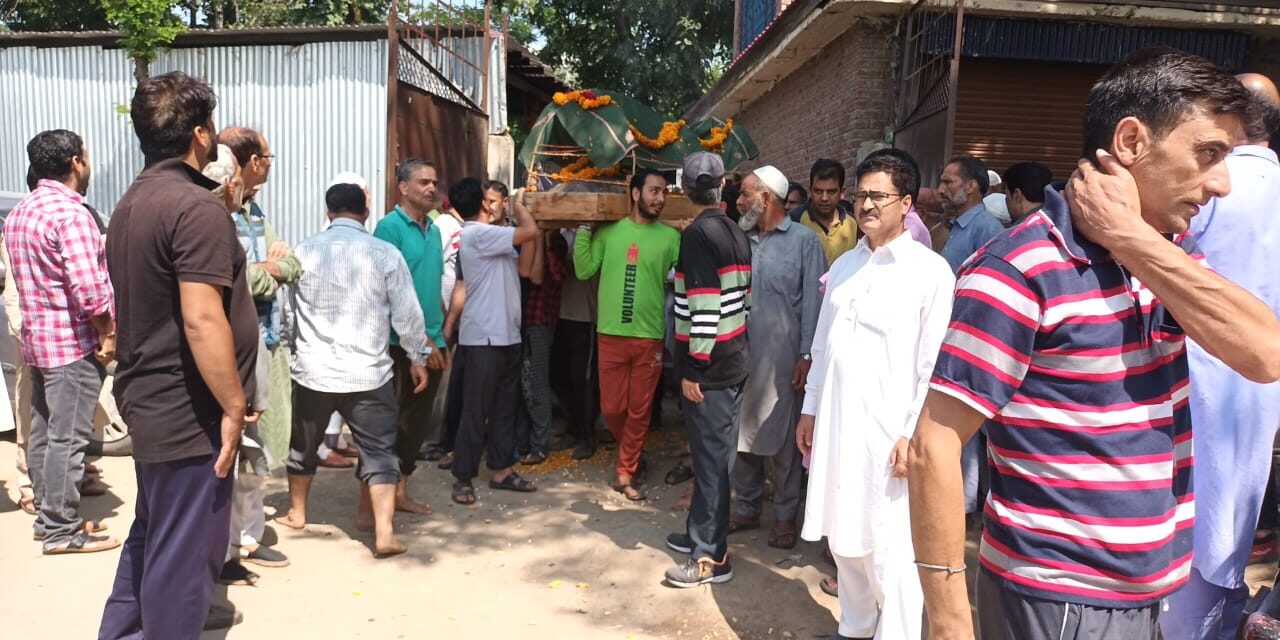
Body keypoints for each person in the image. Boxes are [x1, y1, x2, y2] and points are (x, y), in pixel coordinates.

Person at [908, 48, 1280, 640]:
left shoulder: (1159, 257)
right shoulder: (1021, 267)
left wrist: (1131, 238)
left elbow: (1263, 353)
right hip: (1061, 601)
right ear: (1131, 141)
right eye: (1208, 153)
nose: (1223, 184)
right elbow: (934, 443)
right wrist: (949, 619)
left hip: (1147, 590)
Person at [100, 71, 259, 638]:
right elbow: (200, 316)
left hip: (152, 401)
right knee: (186, 557)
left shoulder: (132, 202)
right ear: (200, 134)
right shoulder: (195, 208)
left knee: (155, 534)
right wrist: (235, 406)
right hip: (189, 412)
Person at [798, 149, 953, 640]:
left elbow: (932, 367)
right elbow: (822, 347)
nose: (865, 205)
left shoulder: (930, 273)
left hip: (890, 436)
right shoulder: (845, 266)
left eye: (877, 196)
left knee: (890, 546)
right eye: (860, 194)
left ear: (906, 202)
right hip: (839, 426)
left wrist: (912, 434)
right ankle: (856, 627)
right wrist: (810, 410)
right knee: (845, 537)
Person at [1161, 73, 1280, 640]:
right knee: (1233, 514)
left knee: (1186, 513)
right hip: (1261, 386)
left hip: (1194, 374)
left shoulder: (1209, 185)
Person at [276, 182, 442, 558]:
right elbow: (408, 313)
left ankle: (297, 513)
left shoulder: (303, 252)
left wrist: (292, 350)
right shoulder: (384, 253)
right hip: (370, 373)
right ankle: (383, 532)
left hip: (314, 372)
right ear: (365, 213)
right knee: (380, 451)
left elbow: (289, 313)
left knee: (303, 446)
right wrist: (418, 358)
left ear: (328, 213)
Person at [5, 128, 117, 555]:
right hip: (71, 345)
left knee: (46, 434)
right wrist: (107, 332)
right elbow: (89, 289)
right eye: (85, 156)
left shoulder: (23, 211)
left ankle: (48, 519)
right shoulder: (71, 214)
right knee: (68, 439)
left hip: (39, 342)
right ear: (75, 162)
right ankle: (60, 530)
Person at [664, 152, 752, 587]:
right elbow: (742, 300)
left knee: (713, 461)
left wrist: (695, 368)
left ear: (683, 188)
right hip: (733, 358)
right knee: (711, 455)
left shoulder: (697, 235)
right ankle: (698, 533)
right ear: (721, 187)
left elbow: (703, 308)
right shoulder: (734, 230)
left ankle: (711, 557)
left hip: (710, 367)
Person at [731, 165, 825, 549]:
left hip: (785, 359)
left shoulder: (805, 242)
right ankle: (749, 507)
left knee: (785, 441)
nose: (738, 201)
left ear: (766, 197)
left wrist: (807, 355)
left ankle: (786, 516)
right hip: (739, 357)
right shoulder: (738, 238)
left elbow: (815, 308)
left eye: (745, 193)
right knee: (742, 434)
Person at [574, 168, 681, 500]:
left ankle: (626, 470)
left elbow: (684, 277)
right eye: (653, 191)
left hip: (649, 337)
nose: (660, 198)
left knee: (639, 409)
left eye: (663, 192)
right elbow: (583, 269)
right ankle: (632, 455)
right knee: (612, 408)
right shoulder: (609, 233)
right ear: (635, 194)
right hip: (610, 333)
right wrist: (582, 230)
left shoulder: (671, 238)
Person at [217, 127, 296, 570]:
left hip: (263, 340)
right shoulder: (219, 213)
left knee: (257, 452)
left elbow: (292, 263)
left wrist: (269, 268)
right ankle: (227, 549)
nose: (269, 163)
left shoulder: (255, 211)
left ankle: (246, 539)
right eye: (267, 155)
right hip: (232, 347)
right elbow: (241, 279)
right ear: (249, 162)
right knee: (235, 447)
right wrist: (268, 270)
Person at [441, 178, 540, 506]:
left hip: (506, 334)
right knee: (476, 409)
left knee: (503, 408)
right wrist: (523, 207)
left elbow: (525, 266)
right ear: (484, 204)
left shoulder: (491, 237)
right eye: (491, 199)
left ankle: (500, 469)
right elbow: (529, 233)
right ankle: (463, 475)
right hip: (485, 337)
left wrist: (531, 223)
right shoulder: (478, 233)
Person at [372, 158, 448, 518]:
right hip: (399, 343)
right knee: (392, 422)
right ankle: (376, 504)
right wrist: (421, 342)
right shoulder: (389, 229)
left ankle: (400, 492)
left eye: (434, 182)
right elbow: (387, 294)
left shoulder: (433, 229)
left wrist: (439, 334)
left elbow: (431, 285)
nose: (432, 188)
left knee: (416, 423)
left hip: (433, 339)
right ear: (403, 187)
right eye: (423, 182)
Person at [936, 153, 1004, 519]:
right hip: (949, 337)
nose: (942, 189)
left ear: (972, 187)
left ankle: (963, 509)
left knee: (968, 429)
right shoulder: (958, 227)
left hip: (969, 341)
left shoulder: (987, 230)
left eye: (948, 182)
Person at [517, 228, 568, 465]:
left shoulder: (555, 243)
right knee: (524, 385)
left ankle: (539, 445)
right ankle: (525, 442)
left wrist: (543, 240)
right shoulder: (523, 237)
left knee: (536, 384)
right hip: (523, 321)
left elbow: (548, 277)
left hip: (540, 322)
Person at [789, 159, 858, 265]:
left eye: (831, 192)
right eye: (818, 191)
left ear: (842, 192)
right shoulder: (794, 221)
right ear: (810, 190)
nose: (824, 198)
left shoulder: (853, 224)